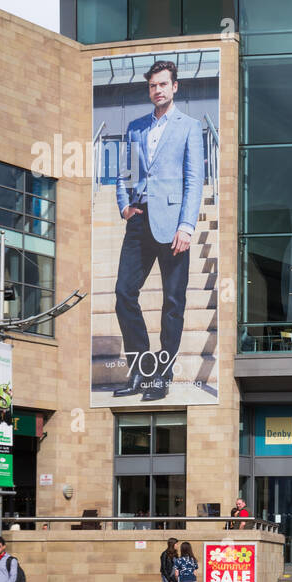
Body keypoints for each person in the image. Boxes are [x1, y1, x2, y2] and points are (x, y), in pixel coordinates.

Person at [112, 59, 205, 402]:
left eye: (163, 84)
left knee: (173, 301)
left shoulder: (189, 127)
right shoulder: (136, 127)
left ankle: (160, 377)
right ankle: (140, 368)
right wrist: (124, 206)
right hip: (139, 221)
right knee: (124, 293)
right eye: (153, 85)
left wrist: (186, 225)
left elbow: (195, 180)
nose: (158, 90)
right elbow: (124, 173)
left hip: (173, 227)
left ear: (175, 87)